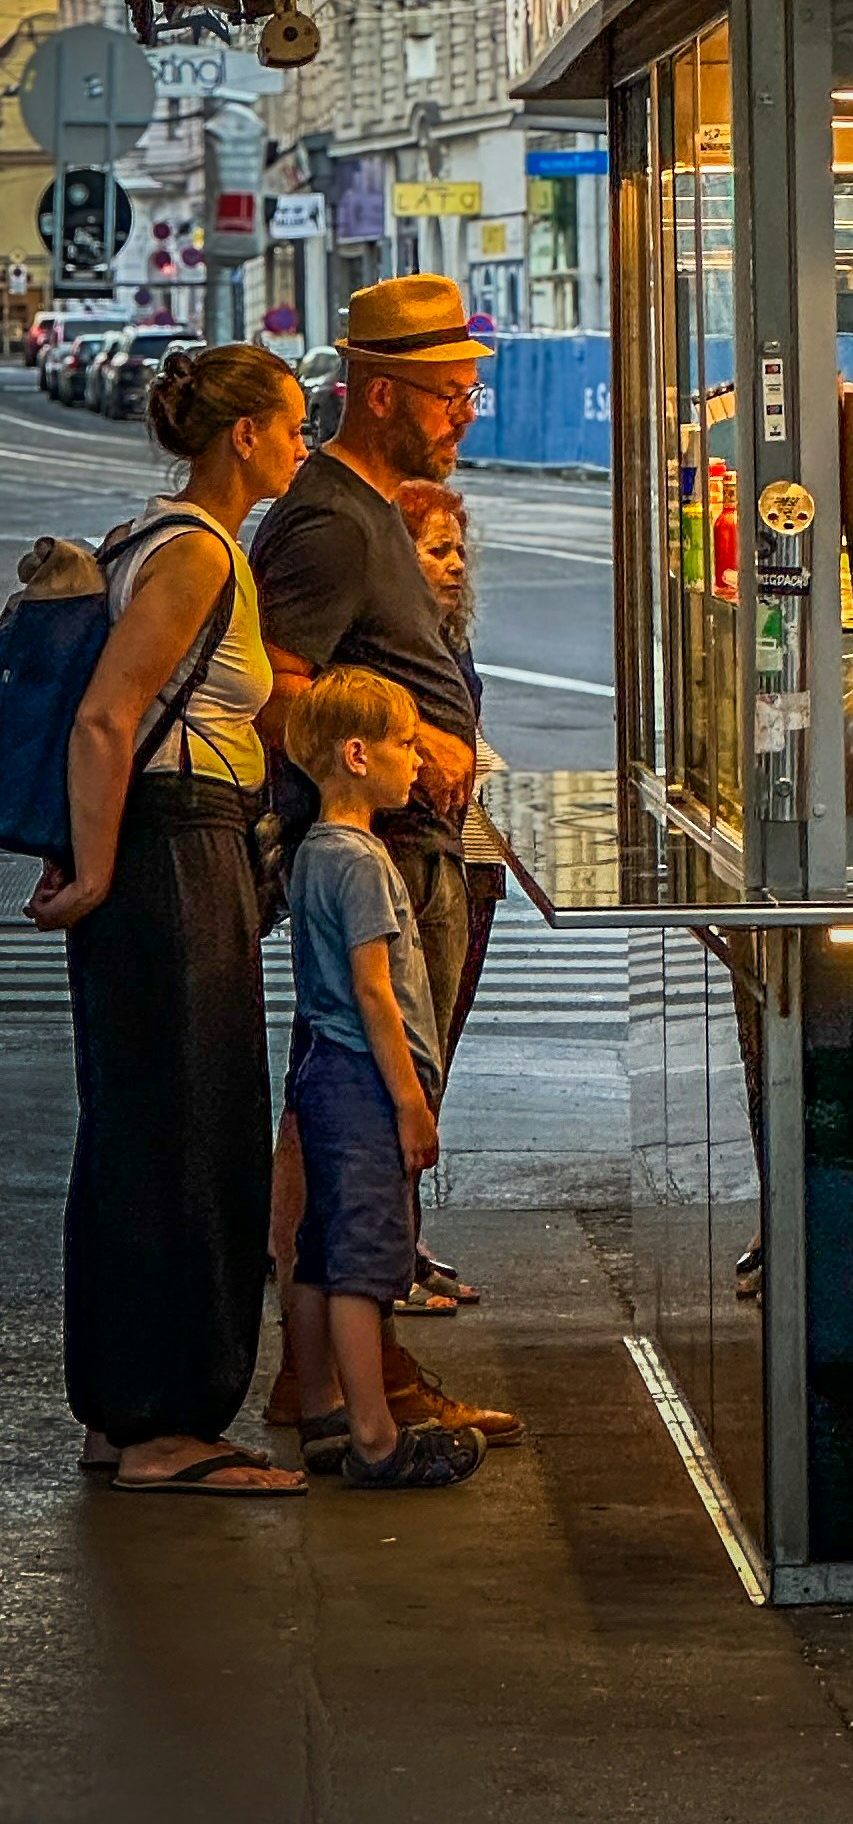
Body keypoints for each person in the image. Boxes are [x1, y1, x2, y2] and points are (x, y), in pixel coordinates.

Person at [31, 344, 309, 1497]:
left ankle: (122, 1409)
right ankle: (168, 1425)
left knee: (138, 1130)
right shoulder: (196, 553)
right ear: (242, 435)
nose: (303, 440)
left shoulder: (150, 537)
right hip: (176, 851)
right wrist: (95, 873)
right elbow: (108, 717)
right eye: (293, 422)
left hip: (160, 851)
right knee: (197, 1133)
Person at [254, 275, 521, 1455]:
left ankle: (340, 1366)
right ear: (377, 393)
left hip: (412, 846)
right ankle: (331, 1381)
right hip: (385, 857)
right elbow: (274, 683)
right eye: (447, 393)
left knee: (362, 1116)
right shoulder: (330, 521)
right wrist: (408, 749)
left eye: (470, 389)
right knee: (354, 1117)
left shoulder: (373, 504)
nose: (465, 412)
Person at [283, 666, 487, 1488]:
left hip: (322, 1073)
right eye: (405, 746)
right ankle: (375, 1436)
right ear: (357, 754)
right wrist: (411, 1102)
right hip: (366, 1079)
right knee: (368, 1261)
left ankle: (323, 1410)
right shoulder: (363, 861)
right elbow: (375, 989)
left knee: (319, 1250)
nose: (417, 762)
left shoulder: (312, 853)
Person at [394, 477, 508, 1311]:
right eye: (436, 549)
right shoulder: (395, 640)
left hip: (465, 860)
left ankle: (398, 1234)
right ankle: (381, 1245)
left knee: (431, 1061)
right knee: (399, 1061)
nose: (454, 564)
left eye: (458, 548)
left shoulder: (443, 637)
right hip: (419, 858)